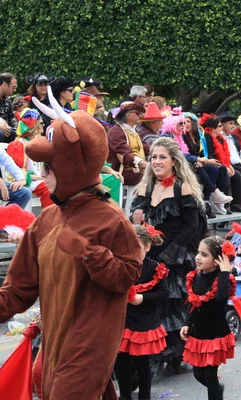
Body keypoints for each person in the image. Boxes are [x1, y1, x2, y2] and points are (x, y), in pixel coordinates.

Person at [1, 89, 142, 399]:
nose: (42, 176)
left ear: (71, 168)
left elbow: (126, 277)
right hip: (54, 346)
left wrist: (89, 253)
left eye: (48, 169)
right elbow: (18, 291)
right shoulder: (46, 221)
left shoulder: (111, 220)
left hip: (89, 348)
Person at [131, 137, 206, 375]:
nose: (157, 161)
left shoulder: (182, 187)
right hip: (150, 252)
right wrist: (137, 216)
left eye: (162, 157)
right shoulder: (146, 187)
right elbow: (137, 219)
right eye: (153, 157)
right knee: (151, 303)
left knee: (173, 303)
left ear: (174, 161)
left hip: (176, 253)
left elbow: (191, 227)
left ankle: (174, 353)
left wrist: (169, 253)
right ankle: (150, 352)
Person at [116, 224, 169, 400]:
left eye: (136, 247)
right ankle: (124, 396)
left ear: (147, 247)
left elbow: (164, 293)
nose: (130, 252)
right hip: (123, 319)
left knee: (142, 362)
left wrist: (143, 298)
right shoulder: (121, 265)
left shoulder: (154, 267)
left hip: (144, 320)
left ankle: (144, 396)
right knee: (121, 361)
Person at [181, 236, 236, 400]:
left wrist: (225, 272)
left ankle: (215, 394)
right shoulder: (195, 277)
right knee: (198, 374)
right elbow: (193, 304)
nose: (198, 257)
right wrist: (187, 323)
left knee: (210, 374)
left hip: (215, 333)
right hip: (198, 332)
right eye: (198, 253)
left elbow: (220, 300)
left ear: (217, 260)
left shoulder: (223, 279)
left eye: (204, 255)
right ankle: (218, 389)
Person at [183, 112, 232, 214]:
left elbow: (201, 152)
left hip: (199, 161)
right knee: (213, 168)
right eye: (183, 122)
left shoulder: (198, 136)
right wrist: (198, 160)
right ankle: (211, 197)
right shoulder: (183, 136)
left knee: (220, 168)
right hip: (188, 163)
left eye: (188, 122)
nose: (185, 124)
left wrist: (201, 159)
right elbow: (184, 153)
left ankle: (215, 201)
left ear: (194, 123)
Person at [4, 108, 53, 208]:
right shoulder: (18, 145)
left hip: (41, 179)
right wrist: (41, 178)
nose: (43, 125)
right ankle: (47, 218)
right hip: (28, 181)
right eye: (40, 123)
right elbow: (15, 173)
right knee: (49, 189)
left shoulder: (42, 141)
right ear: (33, 125)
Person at [217, 112, 241, 212]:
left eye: (233, 123)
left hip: (238, 162)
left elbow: (240, 153)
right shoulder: (219, 137)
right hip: (228, 163)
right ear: (223, 125)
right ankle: (238, 203)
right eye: (230, 123)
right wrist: (227, 165)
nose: (233, 126)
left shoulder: (234, 137)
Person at [107, 101, 149, 186]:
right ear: (128, 115)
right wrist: (146, 165)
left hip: (137, 169)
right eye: (137, 113)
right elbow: (125, 156)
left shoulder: (135, 131)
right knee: (155, 175)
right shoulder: (116, 131)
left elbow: (147, 150)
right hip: (124, 172)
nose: (139, 115)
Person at [0, 72, 18, 143]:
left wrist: (19, 128)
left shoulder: (7, 100)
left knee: (19, 135)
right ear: (4, 85)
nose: (15, 90)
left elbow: (11, 117)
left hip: (6, 129)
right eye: (13, 87)